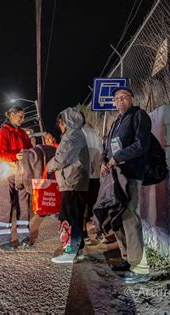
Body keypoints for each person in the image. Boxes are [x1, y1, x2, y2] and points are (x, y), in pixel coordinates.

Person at [101, 87, 151, 284]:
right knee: (117, 217)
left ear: (132, 99)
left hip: (131, 174)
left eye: (124, 97)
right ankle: (127, 259)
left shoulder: (138, 115)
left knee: (130, 217)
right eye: (117, 98)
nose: (120, 100)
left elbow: (142, 144)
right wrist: (104, 161)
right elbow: (107, 148)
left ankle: (140, 268)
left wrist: (117, 158)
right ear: (114, 103)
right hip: (116, 176)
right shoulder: (116, 122)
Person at [47, 107, 89, 263]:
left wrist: (48, 166)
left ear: (67, 121)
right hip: (78, 181)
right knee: (76, 217)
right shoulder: (80, 134)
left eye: (61, 123)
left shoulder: (71, 136)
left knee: (69, 217)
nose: (60, 126)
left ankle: (70, 252)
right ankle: (77, 251)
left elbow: (61, 159)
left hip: (71, 181)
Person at [0, 106, 33, 251]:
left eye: (23, 116)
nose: (23, 119)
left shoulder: (23, 133)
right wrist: (15, 155)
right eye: (20, 116)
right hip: (8, 174)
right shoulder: (2, 132)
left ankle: (24, 238)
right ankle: (4, 241)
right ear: (11, 115)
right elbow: (1, 154)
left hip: (22, 173)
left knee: (23, 205)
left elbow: (29, 149)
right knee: (6, 205)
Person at [81, 120, 103, 240]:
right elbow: (100, 150)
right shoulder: (94, 132)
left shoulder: (79, 133)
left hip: (84, 176)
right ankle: (99, 230)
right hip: (96, 175)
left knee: (83, 205)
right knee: (95, 203)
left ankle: (84, 231)